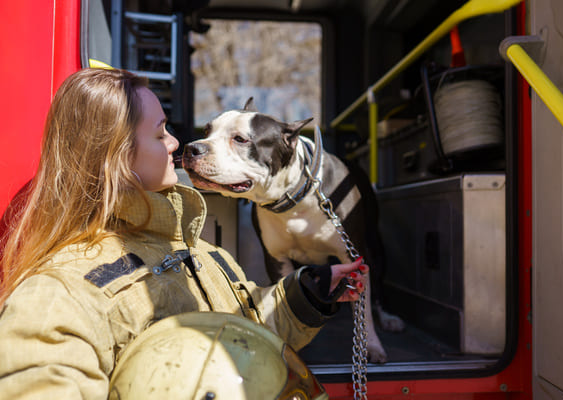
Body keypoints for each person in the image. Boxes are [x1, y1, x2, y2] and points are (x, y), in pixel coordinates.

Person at [0, 68, 368, 398]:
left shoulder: (198, 248)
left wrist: (306, 293)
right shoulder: (59, 291)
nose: (177, 143)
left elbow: (240, 327)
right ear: (115, 156)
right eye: (161, 133)